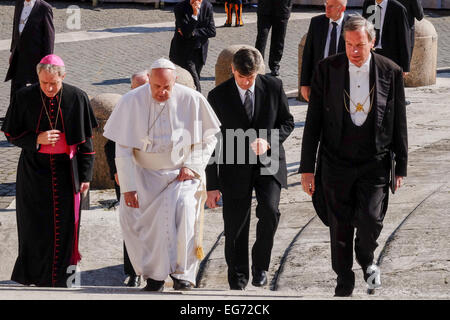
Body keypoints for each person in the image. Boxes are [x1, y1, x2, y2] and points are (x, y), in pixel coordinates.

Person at [299, 16, 408, 297]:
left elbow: (399, 122)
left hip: (376, 160)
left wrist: (401, 167)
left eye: (360, 45)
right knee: (340, 225)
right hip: (336, 160)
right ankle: (344, 280)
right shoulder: (327, 69)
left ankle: (366, 256)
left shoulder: (390, 71)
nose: (354, 51)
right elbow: (312, 123)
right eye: (349, 45)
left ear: (372, 42)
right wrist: (307, 168)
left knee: (371, 220)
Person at [103, 58, 221, 292]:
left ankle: (183, 275)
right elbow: (123, 147)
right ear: (149, 81)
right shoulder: (130, 102)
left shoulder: (193, 100)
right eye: (156, 86)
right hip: (144, 174)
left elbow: (208, 139)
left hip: (182, 173)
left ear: (175, 81)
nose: (161, 91)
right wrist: (128, 187)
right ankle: (154, 276)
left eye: (167, 87)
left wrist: (192, 165)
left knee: (185, 211)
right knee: (144, 223)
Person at [1, 54, 98, 287]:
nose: (49, 88)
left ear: (63, 76)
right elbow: (11, 134)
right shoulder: (24, 97)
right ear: (38, 78)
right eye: (44, 83)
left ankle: (63, 277)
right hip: (34, 170)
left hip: (67, 170)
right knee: (33, 224)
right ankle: (33, 275)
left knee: (66, 225)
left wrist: (85, 176)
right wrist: (37, 139)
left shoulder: (77, 97)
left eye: (54, 83)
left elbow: (86, 142)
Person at [206, 48, 294, 290]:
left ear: (258, 72)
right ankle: (238, 277)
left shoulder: (274, 87)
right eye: (241, 77)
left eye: (251, 78)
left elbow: (288, 122)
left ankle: (260, 266)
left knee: (270, 211)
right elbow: (212, 142)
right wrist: (211, 185)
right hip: (234, 164)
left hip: (268, 160)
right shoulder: (217, 96)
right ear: (232, 71)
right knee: (235, 223)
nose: (246, 82)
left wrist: (269, 139)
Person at [104, 70, 149, 288]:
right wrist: (116, 171)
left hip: (154, 173)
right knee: (131, 224)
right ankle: (133, 271)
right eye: (136, 87)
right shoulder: (124, 107)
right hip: (127, 174)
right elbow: (109, 144)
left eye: (145, 87)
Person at [5, 0, 55, 105]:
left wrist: (47, 62)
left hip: (35, 59)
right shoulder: (19, 3)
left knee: (35, 89)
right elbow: (15, 27)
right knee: (16, 88)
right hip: (18, 55)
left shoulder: (44, 8)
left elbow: (49, 38)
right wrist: (12, 50)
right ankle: (14, 115)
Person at [300, 0, 349, 102]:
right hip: (319, 80)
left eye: (331, 6)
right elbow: (308, 54)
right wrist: (304, 83)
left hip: (343, 82)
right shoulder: (316, 23)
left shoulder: (352, 25)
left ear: (342, 9)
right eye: (326, 4)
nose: (327, 8)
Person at [169, 0, 216, 92]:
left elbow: (212, 31)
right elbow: (186, 33)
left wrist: (194, 32)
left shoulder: (207, 6)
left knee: (196, 78)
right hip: (184, 53)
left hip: (200, 51)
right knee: (195, 82)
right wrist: (195, 14)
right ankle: (199, 102)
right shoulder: (180, 8)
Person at [362, 0, 411, 75]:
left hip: (391, 56)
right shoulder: (368, 4)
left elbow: (404, 37)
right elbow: (364, 29)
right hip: (371, 53)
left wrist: (405, 66)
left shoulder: (398, 9)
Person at [254, 0, 293, 77]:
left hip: (282, 8)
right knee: (261, 38)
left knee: (279, 39)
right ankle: (258, 65)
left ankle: (275, 65)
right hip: (264, 8)